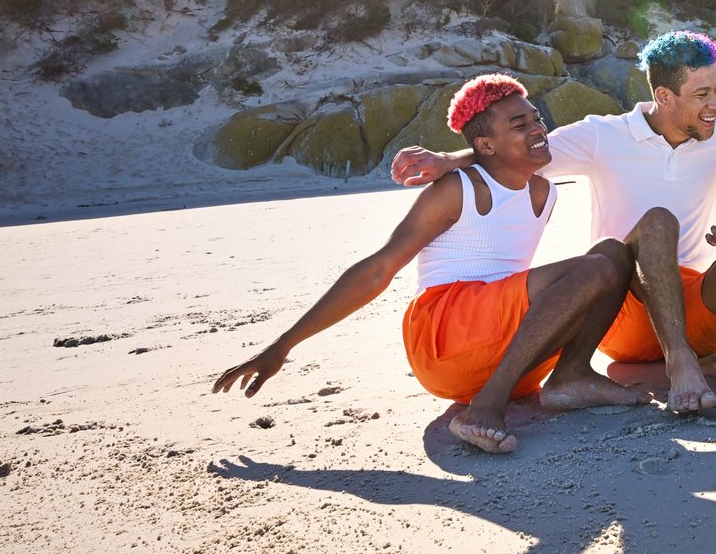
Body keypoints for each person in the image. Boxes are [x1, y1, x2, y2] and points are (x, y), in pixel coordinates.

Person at [212, 74, 649, 454]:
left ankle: (569, 376)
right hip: (445, 340)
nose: (538, 128)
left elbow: (530, 280)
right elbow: (378, 270)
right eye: (521, 124)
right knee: (593, 267)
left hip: (510, 357)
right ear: (485, 144)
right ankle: (484, 409)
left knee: (612, 253)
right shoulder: (455, 189)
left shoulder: (545, 191)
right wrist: (283, 345)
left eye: (536, 117)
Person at [391, 32, 716, 416]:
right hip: (626, 313)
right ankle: (679, 362)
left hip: (694, 304)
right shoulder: (602, 136)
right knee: (658, 222)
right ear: (663, 95)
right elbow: (520, 151)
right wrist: (450, 160)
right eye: (703, 93)